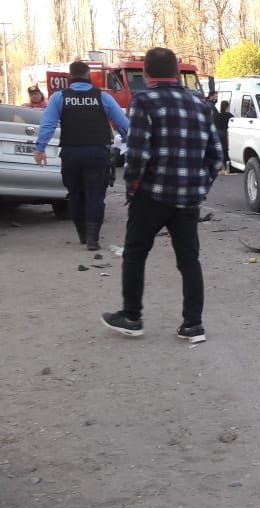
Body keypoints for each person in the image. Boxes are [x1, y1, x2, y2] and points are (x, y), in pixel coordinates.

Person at [101, 47, 223, 344]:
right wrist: (198, 188)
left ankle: (132, 317)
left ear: (146, 74)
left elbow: (138, 153)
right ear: (176, 72)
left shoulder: (144, 101)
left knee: (135, 252)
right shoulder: (200, 105)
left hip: (152, 196)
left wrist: (132, 186)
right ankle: (193, 325)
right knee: (189, 260)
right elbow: (216, 157)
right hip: (188, 200)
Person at [34, 61, 130, 251]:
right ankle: (93, 238)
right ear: (88, 76)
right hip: (97, 153)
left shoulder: (59, 97)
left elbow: (48, 125)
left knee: (75, 195)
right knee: (96, 195)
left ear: (70, 77)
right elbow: (123, 124)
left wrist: (40, 148)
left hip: (71, 153)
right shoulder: (103, 96)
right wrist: (131, 144)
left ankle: (82, 235)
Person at [213, 101, 234, 175]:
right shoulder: (229, 115)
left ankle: (220, 169)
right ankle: (227, 169)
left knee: (220, 151)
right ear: (227, 107)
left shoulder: (217, 116)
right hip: (225, 134)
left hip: (217, 135)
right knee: (226, 151)